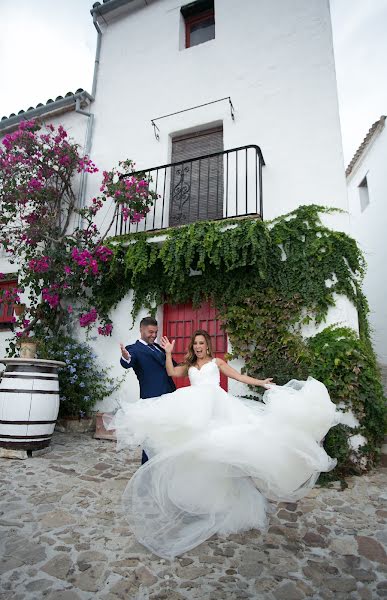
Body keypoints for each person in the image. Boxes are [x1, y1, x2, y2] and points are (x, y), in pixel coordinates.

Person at [111, 329, 340, 560]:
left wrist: (260, 382)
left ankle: (226, 503)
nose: (198, 346)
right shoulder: (190, 366)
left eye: (201, 343)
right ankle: (204, 501)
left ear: (207, 346)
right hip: (194, 410)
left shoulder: (217, 363)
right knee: (199, 453)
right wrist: (169, 353)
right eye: (195, 343)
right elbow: (171, 372)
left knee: (223, 449)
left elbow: (239, 377)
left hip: (219, 409)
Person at [118, 316, 176, 464]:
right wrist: (126, 357)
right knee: (151, 436)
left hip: (169, 397)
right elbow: (128, 361)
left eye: (155, 332)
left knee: (167, 434)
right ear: (141, 330)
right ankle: (147, 469)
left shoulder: (158, 347)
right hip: (151, 400)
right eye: (150, 332)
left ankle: (164, 466)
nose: (154, 335)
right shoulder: (134, 349)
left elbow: (174, 366)